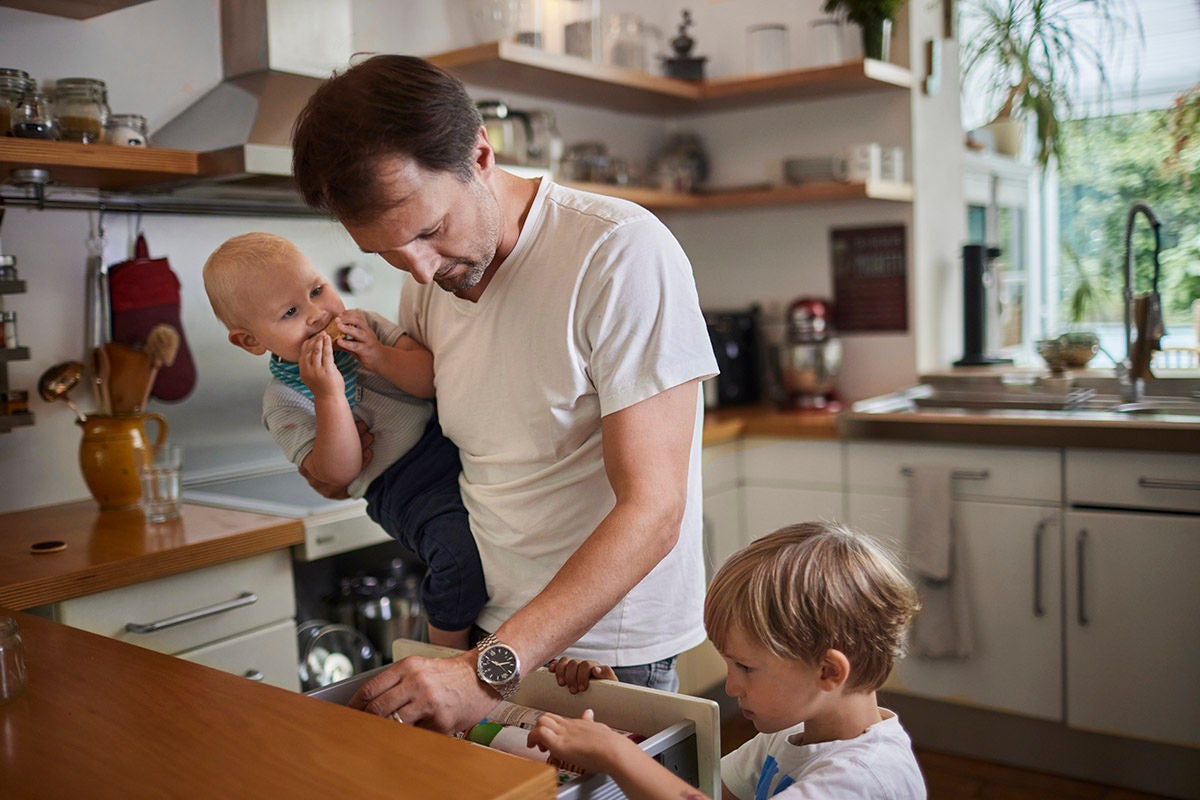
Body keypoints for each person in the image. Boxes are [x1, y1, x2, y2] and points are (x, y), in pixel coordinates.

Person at [290, 54, 718, 734]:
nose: (421, 270)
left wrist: (487, 669)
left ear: (480, 153)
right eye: (389, 254)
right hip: (491, 629)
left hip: (604, 651)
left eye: (429, 232)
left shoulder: (618, 252)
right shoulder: (428, 278)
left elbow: (654, 511)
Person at [202, 232, 486, 650]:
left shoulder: (364, 326)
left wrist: (379, 356)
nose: (318, 314)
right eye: (291, 312)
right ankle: (444, 651)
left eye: (317, 290)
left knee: (500, 534)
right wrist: (329, 395)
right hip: (401, 487)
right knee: (459, 554)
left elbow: (429, 382)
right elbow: (339, 472)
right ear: (251, 340)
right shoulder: (283, 400)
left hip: (445, 442)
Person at [527, 522, 927, 800]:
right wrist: (622, 711)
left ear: (828, 672)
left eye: (746, 668)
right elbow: (700, 791)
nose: (732, 686)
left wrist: (619, 755)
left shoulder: (863, 779)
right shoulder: (789, 736)